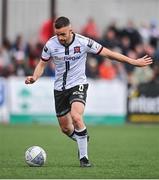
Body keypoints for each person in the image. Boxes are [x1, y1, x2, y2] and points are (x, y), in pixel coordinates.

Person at [25, 16, 153, 167]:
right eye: (57, 34)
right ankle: (82, 137)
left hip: (78, 84)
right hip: (59, 88)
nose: (60, 37)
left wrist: (133, 62)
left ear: (70, 31)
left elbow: (109, 54)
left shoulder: (83, 42)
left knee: (76, 116)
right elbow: (41, 64)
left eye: (63, 34)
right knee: (65, 128)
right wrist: (35, 77)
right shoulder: (50, 45)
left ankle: (84, 159)